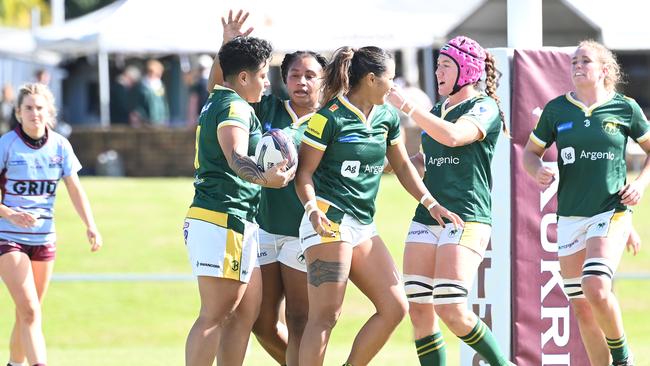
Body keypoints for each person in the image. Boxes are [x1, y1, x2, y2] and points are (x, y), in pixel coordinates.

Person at [295, 45, 463, 366]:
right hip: (329, 220)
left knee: (395, 306)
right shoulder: (329, 117)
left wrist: (431, 203)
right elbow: (304, 173)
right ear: (371, 79)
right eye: (391, 79)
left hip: (362, 226)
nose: (394, 87)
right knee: (326, 316)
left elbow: (401, 166)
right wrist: (312, 210)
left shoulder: (387, 116)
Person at [206, 11, 328, 366]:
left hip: (303, 231)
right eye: (294, 74)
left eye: (310, 76)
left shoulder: (330, 119)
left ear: (323, 81)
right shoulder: (266, 105)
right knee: (260, 323)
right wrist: (227, 44)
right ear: (283, 78)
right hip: (261, 230)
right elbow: (221, 84)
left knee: (300, 319)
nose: (302, 82)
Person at [386, 36, 513, 365]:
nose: (438, 71)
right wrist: (376, 164)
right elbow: (421, 159)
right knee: (419, 311)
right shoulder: (436, 110)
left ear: (467, 69)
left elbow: (455, 137)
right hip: (427, 217)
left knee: (451, 308)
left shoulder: (483, 107)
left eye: (445, 65)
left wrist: (409, 108)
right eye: (437, 64)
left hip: (467, 217)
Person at [523, 40, 650, 366]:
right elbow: (529, 154)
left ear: (604, 70)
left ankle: (623, 358)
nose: (578, 66)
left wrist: (640, 184)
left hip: (611, 211)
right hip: (569, 217)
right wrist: (537, 170)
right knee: (581, 305)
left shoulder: (625, 107)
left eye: (586, 61)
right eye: (574, 61)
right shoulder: (557, 110)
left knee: (595, 287)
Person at [182, 34, 295, 366]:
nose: (266, 83)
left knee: (246, 311)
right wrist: (265, 178)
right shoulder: (234, 107)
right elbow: (235, 156)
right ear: (243, 77)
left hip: (237, 220)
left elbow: (221, 74)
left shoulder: (221, 96)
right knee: (214, 315)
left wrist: (226, 44)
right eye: (262, 75)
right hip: (222, 219)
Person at [0, 83, 102, 366]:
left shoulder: (60, 145)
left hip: (44, 240)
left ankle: (14, 363)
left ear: (50, 112)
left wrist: (90, 225)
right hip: (9, 239)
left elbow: (75, 189)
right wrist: (9, 214)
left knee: (27, 312)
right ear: (18, 113)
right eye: (28, 108)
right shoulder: (6, 145)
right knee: (31, 311)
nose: (35, 113)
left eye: (40, 108)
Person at [129, 59, 170, 126]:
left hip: (159, 121)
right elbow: (135, 104)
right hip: (145, 121)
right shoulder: (140, 86)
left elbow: (164, 103)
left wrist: (166, 118)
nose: (159, 75)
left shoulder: (160, 85)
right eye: (157, 72)